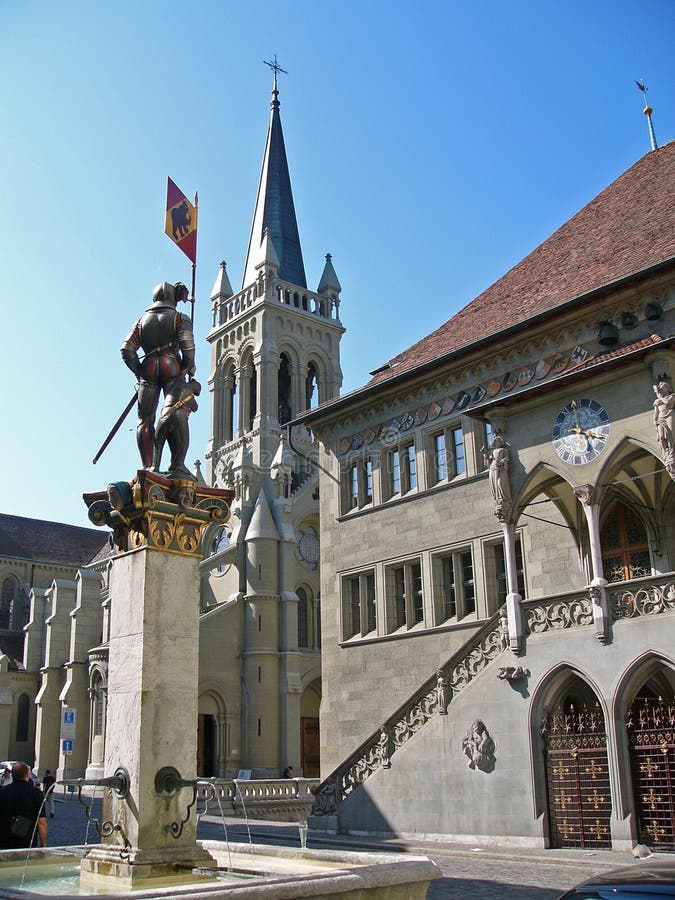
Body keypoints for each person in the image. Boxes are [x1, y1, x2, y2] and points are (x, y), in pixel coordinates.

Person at [121, 281, 196, 470]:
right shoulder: (179, 318)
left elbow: (127, 349)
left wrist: (139, 371)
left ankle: (148, 466)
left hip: (148, 369)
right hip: (171, 367)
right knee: (173, 412)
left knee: (145, 420)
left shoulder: (142, 321)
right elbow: (187, 346)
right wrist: (187, 366)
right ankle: (176, 463)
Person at [0, 762, 47, 849]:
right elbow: (41, 822)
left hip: (4, 841)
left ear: (12, 775)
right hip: (27, 841)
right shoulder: (35, 793)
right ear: (27, 775)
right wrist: (43, 844)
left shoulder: (3, 792)